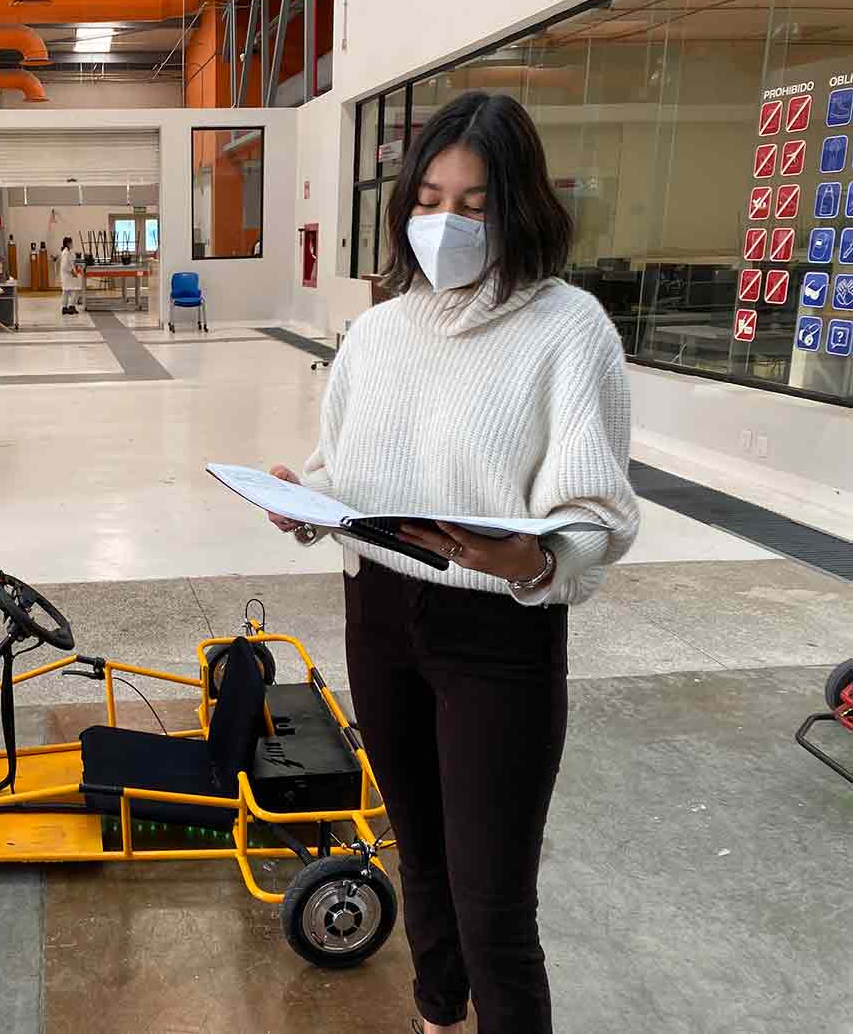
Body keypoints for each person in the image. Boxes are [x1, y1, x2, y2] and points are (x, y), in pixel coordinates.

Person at [269, 92, 640, 1034]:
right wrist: (308, 506)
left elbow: (597, 514)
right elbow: (341, 470)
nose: (446, 223)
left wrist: (529, 555)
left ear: (519, 206)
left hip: (498, 632)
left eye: (473, 205)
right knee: (419, 858)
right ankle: (437, 1016)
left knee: (494, 903)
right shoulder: (379, 330)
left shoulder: (569, 330)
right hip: (380, 616)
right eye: (429, 198)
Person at [58, 236, 83, 316]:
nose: (72, 244)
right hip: (67, 275)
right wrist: (72, 272)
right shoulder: (65, 252)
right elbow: (65, 266)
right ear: (67, 244)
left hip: (69, 275)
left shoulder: (69, 251)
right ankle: (70, 306)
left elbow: (73, 261)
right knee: (74, 290)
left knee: (67, 291)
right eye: (71, 242)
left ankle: (66, 307)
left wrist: (76, 268)